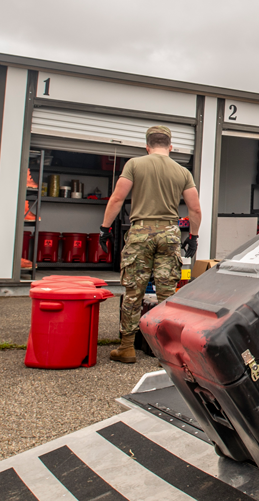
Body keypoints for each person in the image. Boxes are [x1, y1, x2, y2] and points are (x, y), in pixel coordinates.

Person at [100, 125, 203, 363]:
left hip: (141, 233)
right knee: (167, 293)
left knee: (133, 291)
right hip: (169, 232)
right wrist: (194, 237)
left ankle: (127, 348)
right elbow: (195, 208)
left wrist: (105, 229)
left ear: (147, 147)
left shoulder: (134, 165)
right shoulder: (182, 172)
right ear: (171, 146)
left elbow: (117, 198)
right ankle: (167, 352)